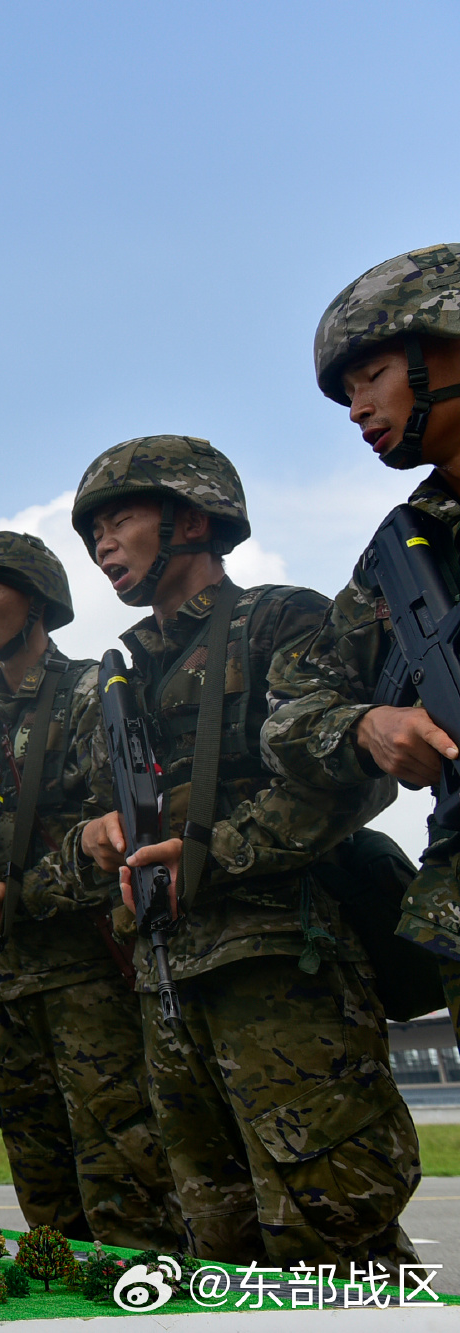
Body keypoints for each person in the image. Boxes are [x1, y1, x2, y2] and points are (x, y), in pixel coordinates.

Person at [67, 436, 416, 1265]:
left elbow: (356, 778)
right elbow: (90, 814)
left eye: (119, 521)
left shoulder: (280, 620)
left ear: (191, 518)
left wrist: (214, 852)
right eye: (92, 534)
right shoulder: (119, 681)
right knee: (219, 1246)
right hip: (164, 983)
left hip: (280, 971)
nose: (101, 545)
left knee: (332, 1237)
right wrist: (93, 835)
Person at [0, 532, 180, 1251]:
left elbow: (121, 830)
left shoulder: (95, 694)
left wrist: (24, 892)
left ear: (35, 599)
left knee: (128, 1186)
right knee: (44, 1195)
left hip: (93, 978)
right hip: (6, 988)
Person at [261, 243, 460, 1053]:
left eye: (370, 375)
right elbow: (291, 704)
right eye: (345, 393)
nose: (355, 409)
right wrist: (368, 728)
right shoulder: (405, 555)